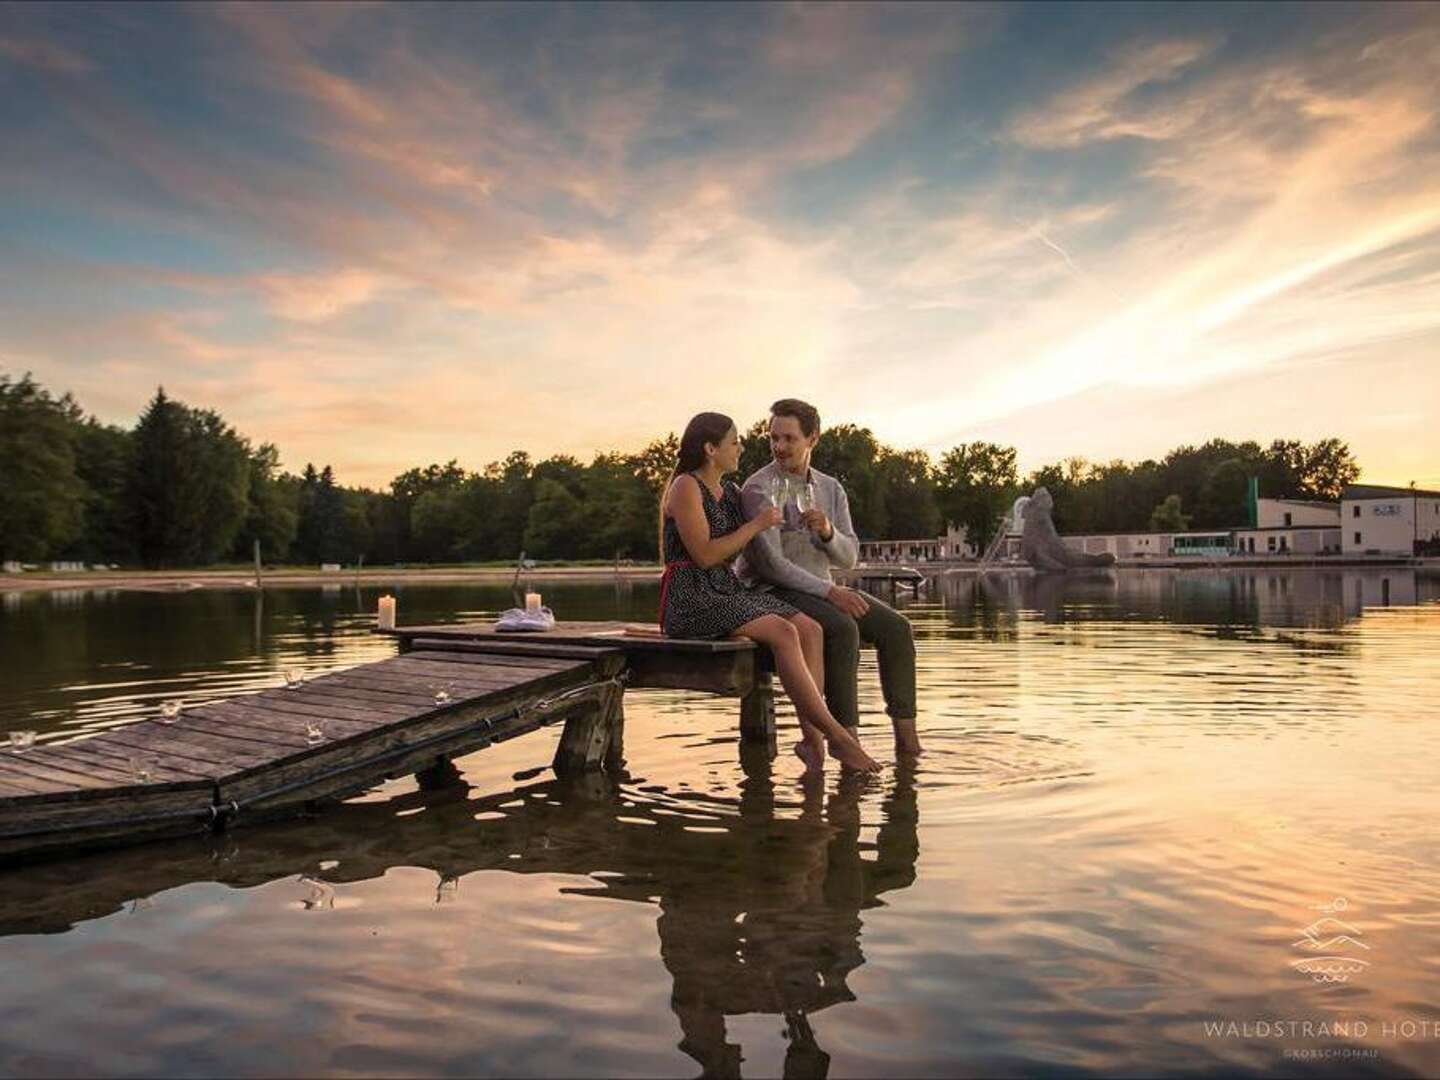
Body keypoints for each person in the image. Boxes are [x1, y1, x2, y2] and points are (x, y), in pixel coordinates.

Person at [659, 411, 880, 776]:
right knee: (784, 632)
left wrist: (783, 532)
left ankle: (813, 744)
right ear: (711, 449)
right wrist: (758, 525)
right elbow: (705, 554)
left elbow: (735, 555)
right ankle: (838, 738)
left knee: (809, 628)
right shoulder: (685, 486)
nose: (741, 448)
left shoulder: (729, 492)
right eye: (734, 442)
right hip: (691, 597)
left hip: (725, 588)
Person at [736, 399, 922, 755]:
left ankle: (908, 742)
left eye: (789, 438)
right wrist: (830, 592)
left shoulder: (831, 488)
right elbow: (772, 566)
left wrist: (827, 533)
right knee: (841, 627)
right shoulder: (759, 488)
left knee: (897, 629)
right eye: (773, 437)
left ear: (813, 440)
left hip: (819, 589)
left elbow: (849, 556)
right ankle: (847, 739)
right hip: (771, 591)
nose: (779, 447)